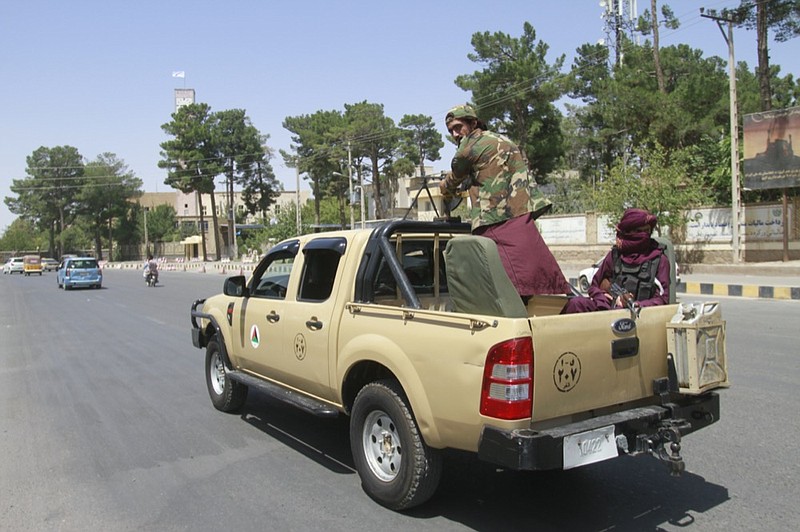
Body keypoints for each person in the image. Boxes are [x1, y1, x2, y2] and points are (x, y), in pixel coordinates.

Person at [439, 104, 571, 300]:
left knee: (503, 284)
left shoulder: (469, 147)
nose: (455, 134)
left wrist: (444, 188)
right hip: (520, 214)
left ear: (473, 123)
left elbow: (455, 177)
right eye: (451, 131)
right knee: (539, 271)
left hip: (494, 218)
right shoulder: (503, 140)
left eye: (458, 127)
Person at [562, 208, 670, 314]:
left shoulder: (659, 260)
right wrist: (605, 296)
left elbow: (662, 299)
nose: (643, 235)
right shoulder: (615, 255)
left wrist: (638, 305)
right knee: (576, 304)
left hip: (639, 315)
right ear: (628, 232)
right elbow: (594, 286)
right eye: (638, 231)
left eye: (647, 231)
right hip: (608, 308)